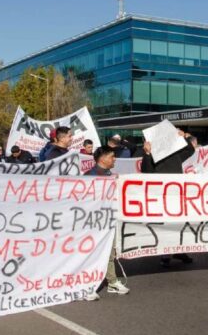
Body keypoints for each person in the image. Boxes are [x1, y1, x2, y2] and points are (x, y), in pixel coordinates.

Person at [141, 129, 197, 267]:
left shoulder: (175, 154)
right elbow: (146, 171)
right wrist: (147, 154)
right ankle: (165, 253)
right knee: (165, 225)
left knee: (179, 224)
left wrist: (185, 137)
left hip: (176, 195)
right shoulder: (152, 155)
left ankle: (179, 250)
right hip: (162, 196)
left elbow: (190, 150)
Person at [83, 146, 130, 301]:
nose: (115, 159)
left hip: (110, 220)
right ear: (102, 158)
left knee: (110, 252)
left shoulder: (111, 175)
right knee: (93, 253)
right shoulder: (90, 176)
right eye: (112, 156)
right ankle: (88, 285)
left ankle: (111, 281)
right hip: (95, 222)